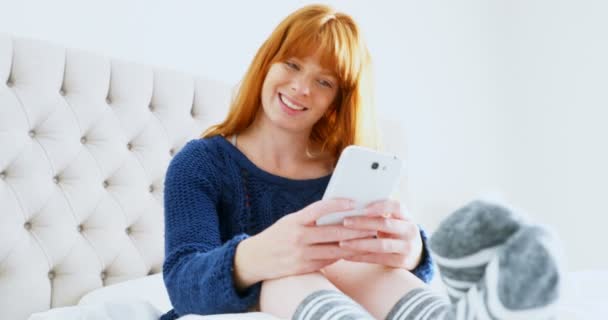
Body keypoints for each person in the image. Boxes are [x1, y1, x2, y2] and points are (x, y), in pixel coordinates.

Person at [161, 4, 561, 320]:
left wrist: (413, 252)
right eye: (293, 64)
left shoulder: (344, 170)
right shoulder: (202, 163)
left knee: (357, 269)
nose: (301, 88)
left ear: (338, 101)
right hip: (249, 299)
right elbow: (181, 281)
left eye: (324, 82)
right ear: (267, 62)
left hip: (348, 289)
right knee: (292, 273)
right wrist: (264, 254)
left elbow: (386, 266)